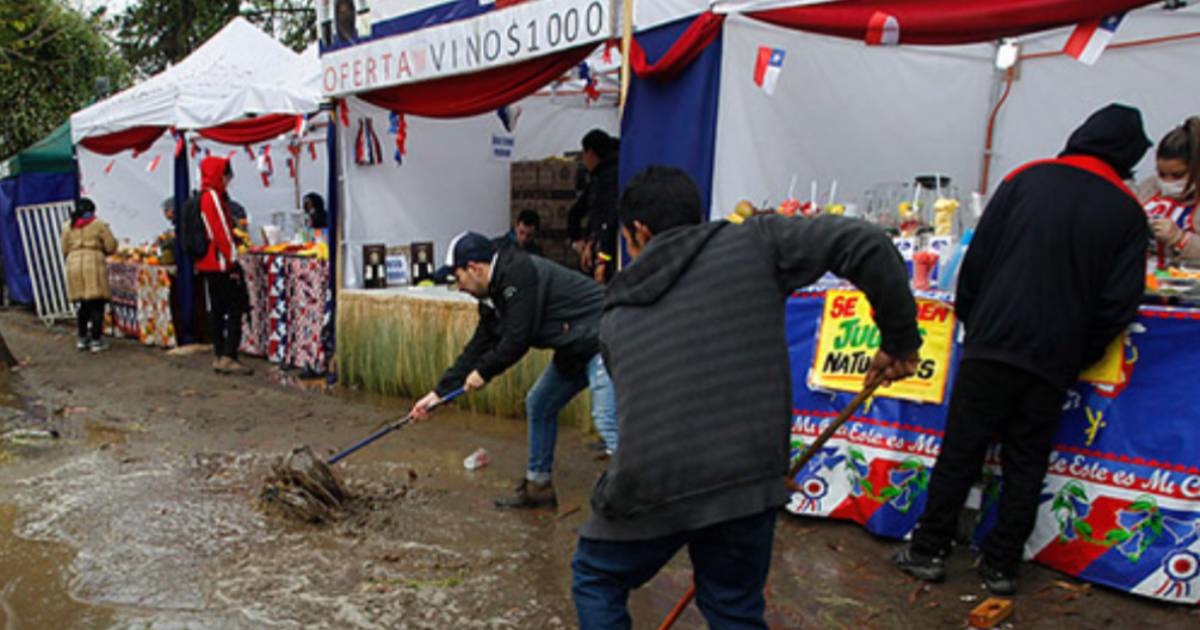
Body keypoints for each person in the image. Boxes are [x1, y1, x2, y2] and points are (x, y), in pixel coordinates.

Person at [571, 166, 921, 629]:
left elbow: (649, 416)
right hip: (744, 478)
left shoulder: (615, 316)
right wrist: (900, 340)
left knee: (596, 576)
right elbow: (867, 243)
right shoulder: (754, 241)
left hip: (656, 479)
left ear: (639, 231)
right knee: (732, 607)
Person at [893, 103, 1152, 595]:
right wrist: (1079, 350)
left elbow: (976, 260)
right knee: (1027, 460)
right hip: (1054, 355)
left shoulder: (1026, 178)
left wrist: (976, 319)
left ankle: (928, 549)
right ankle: (1002, 565)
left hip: (993, 339)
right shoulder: (1127, 211)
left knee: (961, 450)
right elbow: (1120, 301)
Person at [410, 231, 619, 507]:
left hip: (604, 335)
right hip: (574, 346)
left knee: (606, 419)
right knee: (540, 403)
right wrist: (437, 394)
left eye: (458, 278)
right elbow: (478, 346)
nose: (459, 287)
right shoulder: (492, 294)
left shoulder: (518, 274)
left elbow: (517, 339)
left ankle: (639, 501)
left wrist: (483, 373)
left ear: (474, 268)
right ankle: (538, 488)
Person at [195, 156, 253, 376]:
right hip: (220, 263)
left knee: (218, 310)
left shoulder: (204, 196)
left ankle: (220, 355)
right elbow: (220, 231)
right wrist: (232, 260)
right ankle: (229, 355)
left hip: (209, 264)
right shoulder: (212, 198)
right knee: (233, 308)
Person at [62, 197, 118, 353]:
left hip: (73, 264)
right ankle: (96, 340)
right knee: (97, 304)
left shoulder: (67, 226)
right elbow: (111, 245)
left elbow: (63, 247)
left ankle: (81, 338)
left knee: (83, 304)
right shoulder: (98, 224)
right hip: (93, 263)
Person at [1139, 116, 1200, 260]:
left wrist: (1180, 239)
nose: (1167, 181)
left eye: (1177, 175)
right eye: (1162, 174)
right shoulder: (1148, 187)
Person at [567, 129, 619, 283]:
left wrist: (602, 259)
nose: (583, 160)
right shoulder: (599, 177)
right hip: (599, 248)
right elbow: (578, 211)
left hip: (608, 253)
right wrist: (578, 240)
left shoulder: (608, 178)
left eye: (584, 154)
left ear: (591, 152)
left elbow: (607, 219)